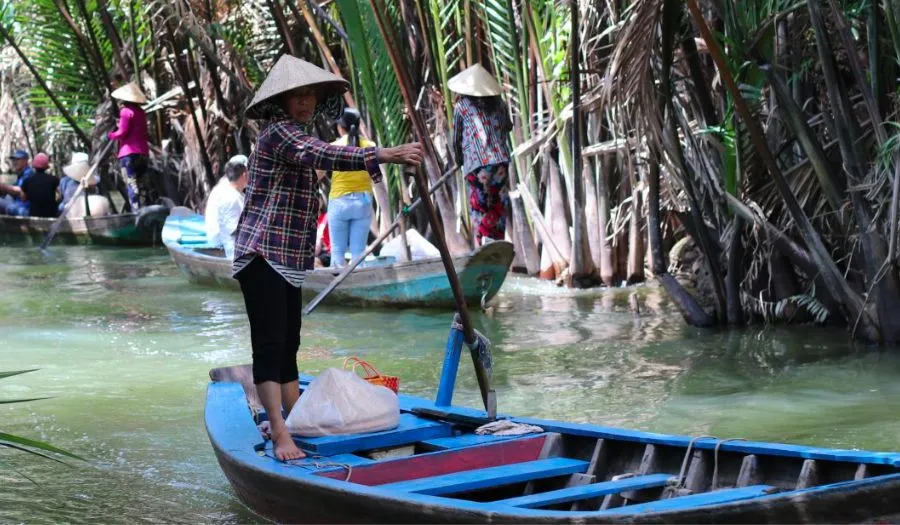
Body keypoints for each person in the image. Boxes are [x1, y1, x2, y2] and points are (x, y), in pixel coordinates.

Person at [233, 54, 423, 461]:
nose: (305, 103)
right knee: (269, 347)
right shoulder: (279, 133)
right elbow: (322, 154)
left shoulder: (294, 136)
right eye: (297, 96)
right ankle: (282, 433)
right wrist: (383, 154)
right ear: (281, 101)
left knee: (288, 346)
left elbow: (319, 158)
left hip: (287, 257)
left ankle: (290, 421)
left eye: (310, 97)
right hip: (262, 252)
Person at [448, 63, 513, 246]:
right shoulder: (499, 103)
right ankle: (497, 244)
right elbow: (508, 127)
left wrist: (459, 161)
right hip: (500, 162)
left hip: (476, 166)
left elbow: (456, 139)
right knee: (497, 205)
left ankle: (483, 245)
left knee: (479, 207)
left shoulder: (462, 106)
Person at [325, 108, 377, 267]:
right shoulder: (370, 146)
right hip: (363, 202)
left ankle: (338, 286)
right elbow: (375, 176)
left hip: (339, 202)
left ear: (340, 128)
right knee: (358, 252)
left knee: (338, 251)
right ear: (359, 125)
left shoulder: (333, 147)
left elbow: (318, 173)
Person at [107, 82, 150, 212]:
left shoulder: (126, 111)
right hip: (143, 153)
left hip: (128, 154)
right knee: (142, 185)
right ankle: (145, 210)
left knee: (132, 184)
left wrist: (110, 135)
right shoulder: (141, 112)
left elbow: (122, 132)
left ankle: (135, 212)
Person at [205, 154, 249, 259]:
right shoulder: (230, 197)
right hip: (220, 242)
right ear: (245, 174)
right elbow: (232, 232)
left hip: (222, 237)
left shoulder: (231, 188)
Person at [18, 152, 59, 218]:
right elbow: (59, 196)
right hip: (51, 214)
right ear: (46, 166)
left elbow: (23, 198)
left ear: (34, 165)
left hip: (33, 214)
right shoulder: (54, 180)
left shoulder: (27, 181)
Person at [2, 150, 33, 216]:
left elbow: (22, 191)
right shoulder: (19, 173)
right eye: (14, 160)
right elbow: (5, 179)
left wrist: (5, 187)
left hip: (24, 208)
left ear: (25, 160)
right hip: (16, 204)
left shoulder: (29, 173)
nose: (14, 162)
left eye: (17, 159)